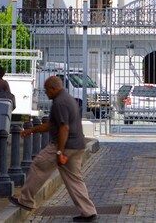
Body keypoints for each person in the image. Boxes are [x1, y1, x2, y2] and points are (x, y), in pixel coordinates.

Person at [10, 76, 97, 222]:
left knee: (39, 165)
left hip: (64, 146)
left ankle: (26, 200)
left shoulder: (60, 103)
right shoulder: (68, 99)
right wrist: (32, 130)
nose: (46, 93)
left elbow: (64, 127)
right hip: (77, 145)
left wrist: (59, 151)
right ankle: (89, 212)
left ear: (54, 88)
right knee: (74, 179)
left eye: (47, 90)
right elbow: (52, 124)